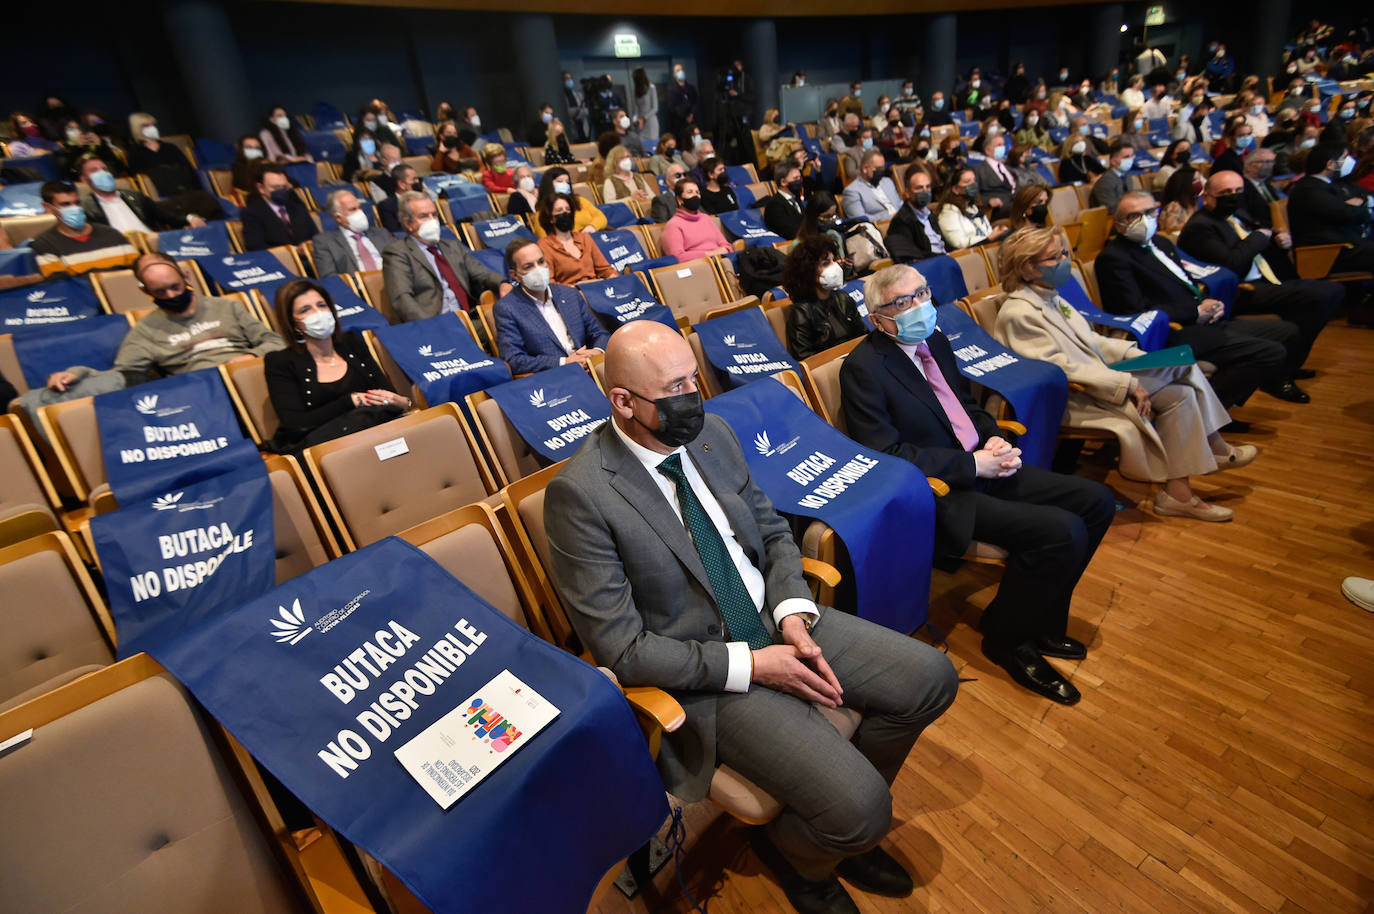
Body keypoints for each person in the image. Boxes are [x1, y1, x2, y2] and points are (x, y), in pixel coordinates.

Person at [545, 317, 957, 914]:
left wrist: (791, 611)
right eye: (675, 389)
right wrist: (757, 665)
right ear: (623, 402)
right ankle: (807, 859)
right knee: (865, 809)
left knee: (932, 680)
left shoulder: (712, 433)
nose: (694, 397)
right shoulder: (581, 494)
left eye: (694, 379)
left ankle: (828, 827)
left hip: (772, 617)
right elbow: (624, 651)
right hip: (706, 673)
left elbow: (772, 530)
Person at [840, 263, 1114, 704]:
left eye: (922, 293)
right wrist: (971, 466)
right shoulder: (864, 368)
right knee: (1061, 531)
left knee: (1096, 500)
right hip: (943, 491)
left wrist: (994, 437)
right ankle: (1007, 640)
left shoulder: (934, 340)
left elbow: (965, 404)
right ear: (878, 320)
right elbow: (886, 453)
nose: (919, 305)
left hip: (985, 463)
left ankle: (1039, 619)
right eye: (903, 302)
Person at [995, 226, 1254, 523]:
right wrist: (1126, 382)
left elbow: (1094, 342)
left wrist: (1135, 355)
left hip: (1096, 380)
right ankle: (1196, 473)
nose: (1064, 261)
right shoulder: (1019, 313)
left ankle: (1182, 490)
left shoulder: (1050, 296)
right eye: (1054, 258)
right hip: (1075, 395)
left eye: (1064, 253)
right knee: (1180, 393)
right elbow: (1058, 369)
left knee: (1181, 369)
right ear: (1027, 267)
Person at [1096, 191, 1302, 413]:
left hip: (1202, 320)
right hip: (1173, 331)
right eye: (1133, 216)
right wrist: (1195, 312)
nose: (1144, 220)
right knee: (1269, 352)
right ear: (1118, 224)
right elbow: (1136, 311)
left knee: (1288, 332)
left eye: (1149, 212)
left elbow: (1187, 280)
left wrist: (1210, 302)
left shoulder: (1161, 242)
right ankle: (1206, 414)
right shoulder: (1113, 258)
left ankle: (1229, 400)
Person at [20, 253, 286, 416]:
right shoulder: (146, 330)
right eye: (160, 292)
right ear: (145, 291)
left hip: (253, 376)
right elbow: (122, 377)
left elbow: (274, 341)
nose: (171, 295)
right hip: (205, 394)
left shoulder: (227, 306)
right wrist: (77, 373)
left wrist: (249, 357)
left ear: (186, 278)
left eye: (175, 287)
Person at [1179, 170, 1342, 383]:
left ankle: (1285, 365)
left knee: (1324, 296)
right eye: (1225, 192)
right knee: (1326, 292)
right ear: (1207, 196)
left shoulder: (1237, 214)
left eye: (1238, 190)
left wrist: (1278, 240)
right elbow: (1232, 264)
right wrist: (1259, 237)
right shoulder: (1201, 227)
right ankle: (1283, 371)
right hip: (1240, 290)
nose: (1233, 196)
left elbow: (1259, 237)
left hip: (1267, 278)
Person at [264, 279, 406, 450]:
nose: (318, 313)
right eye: (305, 310)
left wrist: (404, 403)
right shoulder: (280, 362)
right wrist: (352, 401)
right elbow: (295, 424)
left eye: (321, 305)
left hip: (378, 434)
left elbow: (387, 393)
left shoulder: (352, 342)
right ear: (293, 325)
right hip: (329, 449)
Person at [382, 191, 510, 323]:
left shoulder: (452, 246)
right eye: (424, 216)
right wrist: (435, 326)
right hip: (433, 324)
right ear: (408, 223)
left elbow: (482, 273)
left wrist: (502, 283)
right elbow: (402, 300)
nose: (432, 220)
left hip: (469, 318)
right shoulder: (397, 253)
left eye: (434, 215)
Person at [495, 239, 610, 375]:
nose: (538, 269)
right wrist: (565, 362)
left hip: (591, 368)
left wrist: (596, 352)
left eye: (541, 261)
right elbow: (514, 360)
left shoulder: (569, 294)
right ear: (515, 275)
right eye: (528, 266)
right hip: (555, 377)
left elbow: (599, 333)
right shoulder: (507, 308)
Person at [1287, 144, 1374, 276]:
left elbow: (1362, 199)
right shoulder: (1309, 190)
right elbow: (1348, 214)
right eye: (1344, 157)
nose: (1350, 160)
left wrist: (1360, 203)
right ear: (1330, 164)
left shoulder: (1331, 183)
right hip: (1327, 253)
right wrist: (1361, 206)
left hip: (1344, 245)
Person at [782, 234, 867, 359]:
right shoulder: (802, 312)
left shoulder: (843, 298)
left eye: (834, 260)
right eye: (826, 263)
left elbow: (863, 336)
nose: (835, 266)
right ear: (809, 271)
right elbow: (807, 360)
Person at [30, 181, 139, 277]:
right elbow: (61, 284)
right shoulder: (44, 245)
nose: (75, 208)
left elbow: (138, 269)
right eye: (65, 204)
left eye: (77, 203)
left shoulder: (111, 233)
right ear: (48, 208)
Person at [78, 155, 199, 234]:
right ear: (84, 180)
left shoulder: (135, 196)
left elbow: (168, 217)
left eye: (104, 169)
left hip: (152, 243)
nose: (102, 173)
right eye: (94, 170)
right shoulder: (84, 207)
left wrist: (191, 218)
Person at [536, 194, 616, 285]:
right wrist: (575, 288)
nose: (565, 213)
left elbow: (605, 269)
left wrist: (611, 276)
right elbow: (550, 283)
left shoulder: (585, 238)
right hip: (569, 292)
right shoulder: (544, 246)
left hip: (596, 289)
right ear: (551, 218)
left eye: (568, 209)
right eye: (559, 210)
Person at [313, 189, 394, 278]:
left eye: (360, 208)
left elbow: (399, 261)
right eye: (353, 209)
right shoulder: (324, 242)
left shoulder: (381, 233)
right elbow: (330, 277)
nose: (360, 212)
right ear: (338, 217)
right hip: (357, 285)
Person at [242, 163, 317, 251]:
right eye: (276, 187)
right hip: (277, 258)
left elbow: (316, 236)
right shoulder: (252, 213)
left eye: (284, 187)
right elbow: (256, 247)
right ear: (261, 188)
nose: (281, 190)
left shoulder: (297, 207)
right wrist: (294, 251)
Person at [936, 167, 1008, 250]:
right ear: (955, 189)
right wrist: (990, 237)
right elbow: (959, 243)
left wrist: (996, 233)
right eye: (967, 181)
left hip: (986, 248)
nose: (973, 184)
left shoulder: (972, 206)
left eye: (974, 180)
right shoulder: (948, 212)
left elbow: (986, 231)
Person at [660, 178, 731, 260]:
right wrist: (709, 254)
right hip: (700, 265)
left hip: (721, 260)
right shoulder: (673, 225)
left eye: (697, 192)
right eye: (690, 192)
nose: (695, 195)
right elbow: (677, 257)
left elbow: (726, 245)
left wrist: (725, 250)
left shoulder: (706, 218)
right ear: (679, 199)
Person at [531, 169, 608, 237]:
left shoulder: (580, 201)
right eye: (560, 181)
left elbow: (601, 217)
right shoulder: (543, 211)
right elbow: (546, 239)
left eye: (567, 182)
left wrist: (591, 227)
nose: (564, 184)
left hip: (594, 237)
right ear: (549, 185)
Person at [842, 150, 902, 223]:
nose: (882, 171)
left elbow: (899, 204)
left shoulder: (888, 182)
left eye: (883, 168)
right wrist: (890, 216)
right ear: (865, 169)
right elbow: (860, 219)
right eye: (879, 168)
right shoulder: (852, 191)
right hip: (882, 226)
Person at [972, 134, 1017, 220]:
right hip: (997, 209)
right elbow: (973, 193)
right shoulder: (978, 169)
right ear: (988, 150)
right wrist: (987, 201)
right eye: (999, 145)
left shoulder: (1009, 168)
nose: (1003, 148)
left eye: (1003, 145)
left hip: (1015, 202)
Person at [1088, 141, 1138, 214]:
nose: (1130, 160)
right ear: (1113, 161)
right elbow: (1110, 210)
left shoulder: (1127, 176)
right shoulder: (1105, 182)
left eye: (1132, 156)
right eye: (1126, 157)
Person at [764, 163, 808, 240]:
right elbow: (790, 233)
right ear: (783, 182)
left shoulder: (795, 198)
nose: (799, 181)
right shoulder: (774, 206)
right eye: (795, 178)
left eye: (800, 177)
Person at [1157, 166, 1200, 234]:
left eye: (1199, 179)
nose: (1199, 183)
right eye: (1195, 180)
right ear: (1184, 184)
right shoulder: (1174, 206)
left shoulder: (1195, 202)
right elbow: (1170, 233)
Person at [376, 162, 417, 233]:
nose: (417, 182)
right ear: (402, 184)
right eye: (414, 179)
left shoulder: (426, 201)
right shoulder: (386, 206)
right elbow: (395, 232)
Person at [665, 65, 701, 144]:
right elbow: (672, 107)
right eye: (678, 70)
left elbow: (696, 102)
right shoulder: (671, 90)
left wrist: (691, 114)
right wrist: (685, 116)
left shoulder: (691, 88)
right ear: (674, 74)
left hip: (693, 122)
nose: (680, 72)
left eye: (682, 69)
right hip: (679, 125)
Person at [632, 68, 660, 146]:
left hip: (650, 123)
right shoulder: (636, 90)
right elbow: (636, 109)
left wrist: (643, 118)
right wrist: (635, 120)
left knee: (652, 146)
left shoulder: (651, 87)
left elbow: (655, 108)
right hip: (640, 126)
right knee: (641, 146)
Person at [562, 72, 591, 143]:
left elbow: (586, 110)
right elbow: (566, 112)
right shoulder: (562, 97)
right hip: (572, 130)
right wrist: (578, 109)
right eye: (567, 79)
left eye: (570, 78)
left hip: (584, 129)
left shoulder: (579, 95)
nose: (569, 81)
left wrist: (578, 112)